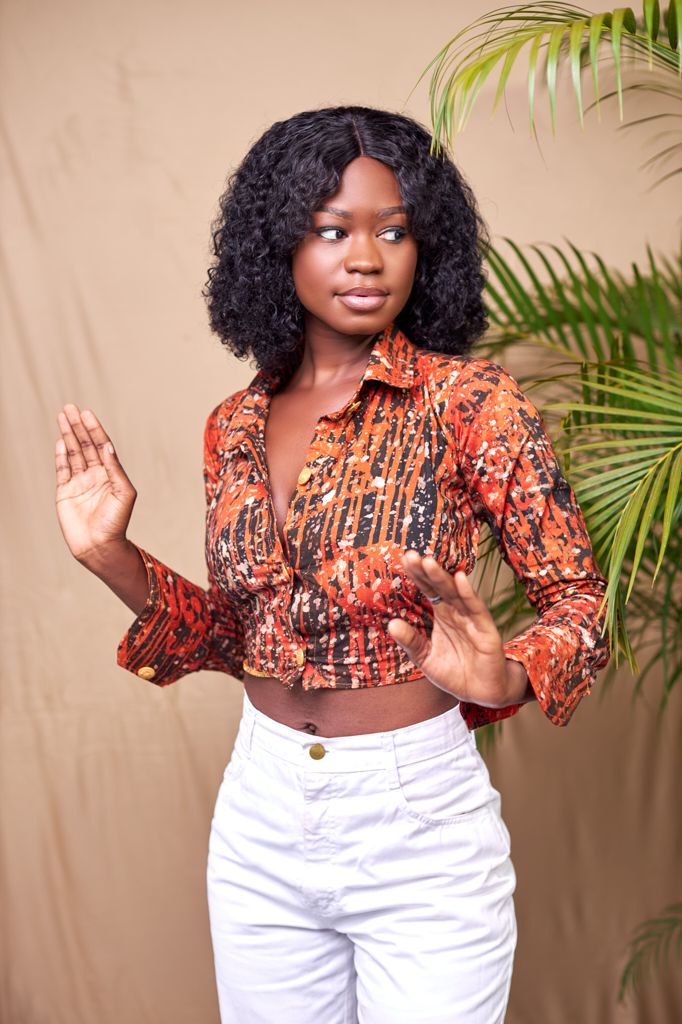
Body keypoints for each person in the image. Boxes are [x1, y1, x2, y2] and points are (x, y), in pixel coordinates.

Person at [54, 105, 610, 1024]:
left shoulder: (471, 404)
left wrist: (505, 673)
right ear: (278, 245)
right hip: (261, 810)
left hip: (417, 819)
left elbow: (577, 599)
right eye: (331, 229)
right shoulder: (232, 424)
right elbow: (244, 638)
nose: (367, 257)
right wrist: (112, 556)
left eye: (393, 231)